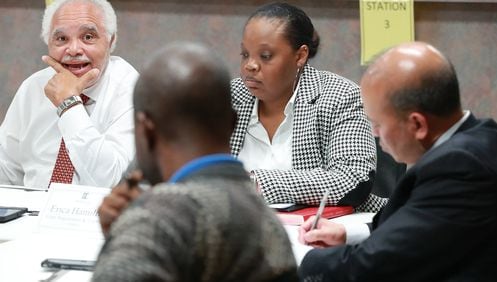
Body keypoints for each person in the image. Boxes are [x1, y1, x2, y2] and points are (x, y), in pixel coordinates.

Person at [93, 42, 298, 282]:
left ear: (147, 131)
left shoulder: (154, 225)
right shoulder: (271, 224)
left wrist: (129, 238)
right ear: (232, 124)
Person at [298, 42, 497, 281]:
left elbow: (376, 264)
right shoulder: (484, 136)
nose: (374, 133)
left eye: (378, 124)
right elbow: (415, 225)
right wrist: (345, 234)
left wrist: (297, 258)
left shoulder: (460, 167)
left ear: (418, 125)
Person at [230, 2, 384, 211]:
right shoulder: (228, 98)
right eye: (245, 54)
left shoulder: (340, 96)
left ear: (300, 56)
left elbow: (353, 179)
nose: (250, 65)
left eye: (265, 56)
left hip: (325, 231)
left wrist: (256, 183)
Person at [0, 0, 137, 188]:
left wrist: (69, 104)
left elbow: (111, 181)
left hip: (98, 215)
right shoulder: (33, 87)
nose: (73, 50)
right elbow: (6, 170)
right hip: (33, 213)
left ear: (111, 40)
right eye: (62, 39)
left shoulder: (131, 88)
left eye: (88, 37)